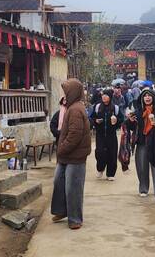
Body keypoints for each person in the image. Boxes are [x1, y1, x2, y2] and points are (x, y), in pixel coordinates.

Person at [51, 79, 91, 230]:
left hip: (75, 156)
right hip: (66, 156)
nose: (64, 94)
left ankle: (75, 219)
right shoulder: (71, 107)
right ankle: (62, 211)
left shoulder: (75, 110)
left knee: (73, 188)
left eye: (66, 91)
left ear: (72, 92)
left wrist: (61, 148)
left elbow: (74, 135)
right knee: (59, 183)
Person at [124, 89, 155, 202]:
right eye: (145, 96)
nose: (147, 97)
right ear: (142, 99)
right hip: (142, 143)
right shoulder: (137, 112)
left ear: (153, 98)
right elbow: (130, 127)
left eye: (149, 95)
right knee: (142, 167)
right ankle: (143, 189)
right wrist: (131, 121)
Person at [90, 89, 123, 180]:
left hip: (111, 135)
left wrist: (116, 121)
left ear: (110, 97)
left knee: (112, 154)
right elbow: (91, 118)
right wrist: (96, 121)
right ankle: (100, 169)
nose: (104, 97)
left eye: (106, 95)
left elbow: (121, 119)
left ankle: (110, 174)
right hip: (100, 135)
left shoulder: (115, 108)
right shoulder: (97, 107)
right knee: (99, 152)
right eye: (103, 95)